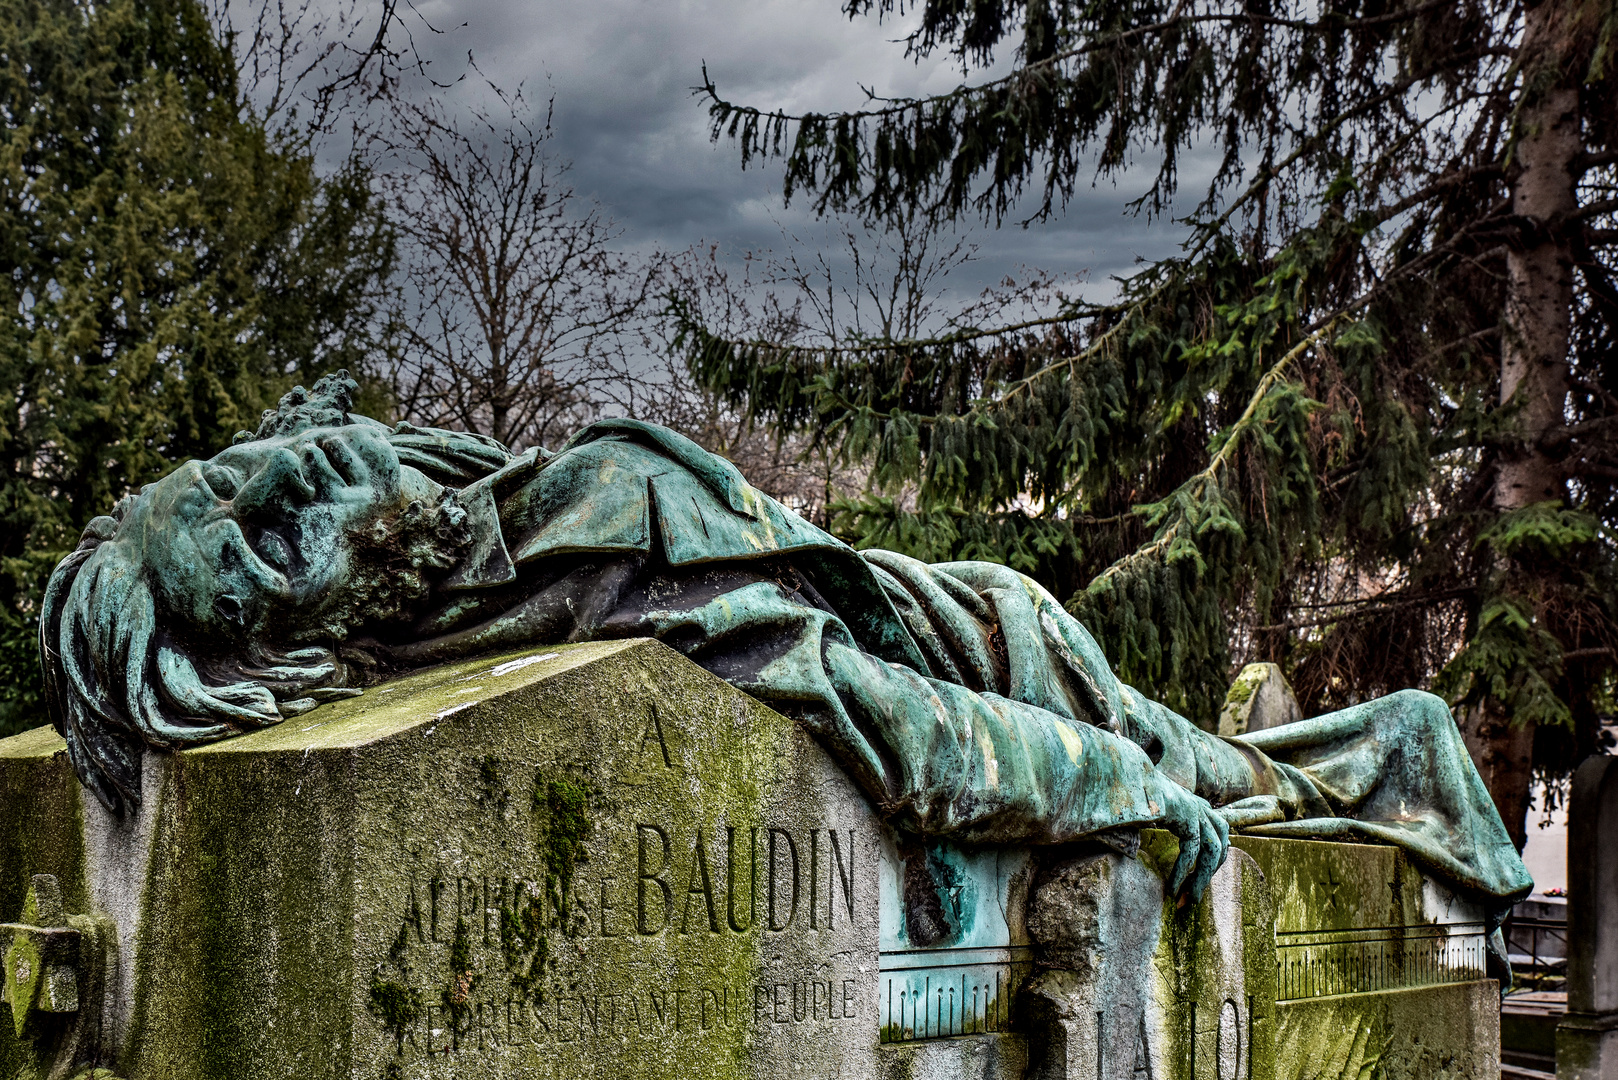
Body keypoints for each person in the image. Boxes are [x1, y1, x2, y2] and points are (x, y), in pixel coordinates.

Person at [40, 373, 1531, 918]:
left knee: (1254, 766)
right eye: (257, 535)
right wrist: (1124, 791)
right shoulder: (578, 564)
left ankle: (1389, 764)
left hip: (968, 609)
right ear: (304, 627)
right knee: (1229, 782)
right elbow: (899, 731)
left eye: (233, 474)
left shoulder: (455, 507)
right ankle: (1395, 759)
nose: (286, 473)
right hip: (990, 664)